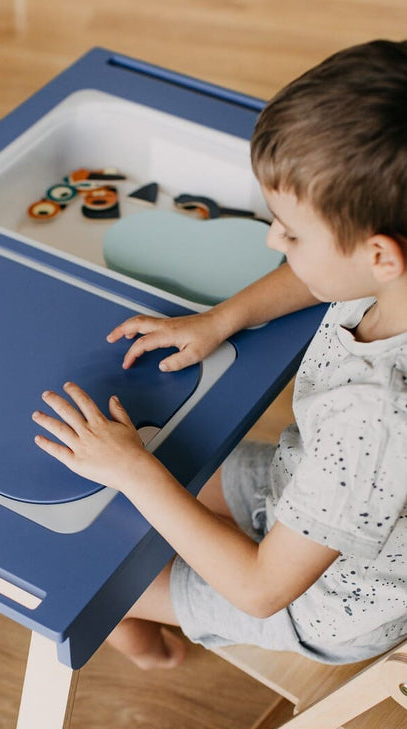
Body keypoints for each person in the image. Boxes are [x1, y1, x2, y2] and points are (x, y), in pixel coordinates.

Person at [32, 39, 407, 669]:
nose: (272, 239)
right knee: (142, 481)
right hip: (313, 486)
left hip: (327, 601)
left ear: (380, 255)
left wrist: (133, 471)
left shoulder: (374, 416)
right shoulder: (384, 277)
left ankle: (155, 653)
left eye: (290, 232)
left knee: (83, 582)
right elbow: (323, 275)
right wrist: (219, 320)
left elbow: (261, 590)